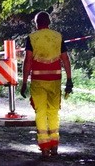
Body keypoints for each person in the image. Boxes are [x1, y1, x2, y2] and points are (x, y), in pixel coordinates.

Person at [20, 11, 72, 158]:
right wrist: (69, 79)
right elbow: (65, 59)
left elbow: (28, 61)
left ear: (36, 23)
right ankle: (54, 145)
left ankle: (44, 147)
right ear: (49, 22)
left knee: (40, 112)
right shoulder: (57, 37)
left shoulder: (32, 38)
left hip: (38, 81)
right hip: (55, 80)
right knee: (54, 112)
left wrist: (24, 82)